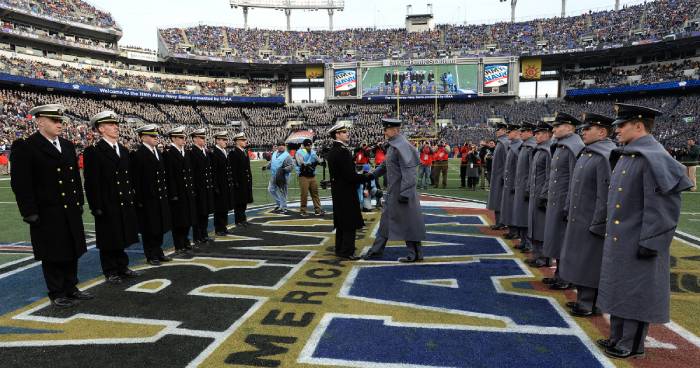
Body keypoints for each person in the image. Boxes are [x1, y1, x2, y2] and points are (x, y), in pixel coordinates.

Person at [597, 104, 692, 359]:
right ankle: (617, 335)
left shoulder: (654, 158)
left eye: (622, 125)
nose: (616, 130)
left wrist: (652, 240)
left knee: (636, 293)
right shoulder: (630, 154)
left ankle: (632, 343)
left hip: (640, 240)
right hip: (622, 238)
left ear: (639, 125)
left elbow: (663, 207)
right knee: (619, 289)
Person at [10, 104, 92, 308]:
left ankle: (71, 286)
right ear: (40, 122)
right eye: (54, 120)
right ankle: (57, 291)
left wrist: (79, 202)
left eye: (60, 121)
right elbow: (21, 183)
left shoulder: (66, 145)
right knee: (53, 252)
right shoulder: (26, 146)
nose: (59, 124)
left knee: (71, 249)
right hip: (47, 211)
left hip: (69, 208)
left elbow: (74, 178)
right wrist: (29, 212)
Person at [558, 113, 616, 318]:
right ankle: (584, 299)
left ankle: (590, 303)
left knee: (590, 263)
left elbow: (605, 195)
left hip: (591, 220)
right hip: (579, 218)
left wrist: (599, 222)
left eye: (588, 128)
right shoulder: (588, 153)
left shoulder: (604, 156)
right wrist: (567, 207)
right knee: (580, 261)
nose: (583, 131)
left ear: (602, 132)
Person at [83, 110, 140, 285]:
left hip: (123, 200)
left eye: (116, 124)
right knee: (109, 238)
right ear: (101, 129)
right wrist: (96, 206)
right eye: (111, 125)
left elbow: (129, 177)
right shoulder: (94, 151)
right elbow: (91, 182)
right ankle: (110, 270)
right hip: (107, 202)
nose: (116, 127)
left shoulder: (123, 150)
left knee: (121, 235)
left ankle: (122, 266)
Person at [363, 118, 426, 262]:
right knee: (386, 221)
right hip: (393, 191)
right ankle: (376, 251)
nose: (384, 131)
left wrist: (405, 193)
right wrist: (372, 174)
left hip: (402, 192)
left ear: (395, 130)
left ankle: (415, 254)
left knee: (409, 222)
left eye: (387, 129)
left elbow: (410, 172)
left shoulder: (402, 145)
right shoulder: (394, 145)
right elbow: (385, 165)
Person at [542, 112, 585, 290]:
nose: (554, 129)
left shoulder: (573, 147)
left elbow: (575, 180)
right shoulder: (562, 146)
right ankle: (560, 273)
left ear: (569, 128)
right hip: (556, 200)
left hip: (564, 202)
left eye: (558, 126)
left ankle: (566, 276)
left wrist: (568, 205)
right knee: (556, 239)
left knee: (564, 240)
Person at [130, 124, 172, 266]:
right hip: (147, 198)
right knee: (150, 228)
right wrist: (140, 200)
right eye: (152, 136)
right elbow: (136, 179)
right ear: (142, 137)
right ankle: (151, 254)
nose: (156, 138)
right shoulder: (138, 154)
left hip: (159, 196)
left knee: (159, 226)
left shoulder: (157, 152)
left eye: (156, 135)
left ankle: (158, 251)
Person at [326, 122, 367, 260]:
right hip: (346, 191)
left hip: (338, 191)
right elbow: (350, 176)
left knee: (341, 222)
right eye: (344, 132)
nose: (347, 133)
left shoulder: (332, 151)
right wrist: (365, 176)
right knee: (349, 222)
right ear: (337, 134)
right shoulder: (343, 151)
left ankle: (340, 249)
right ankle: (348, 251)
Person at [163, 126, 197, 255]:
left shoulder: (185, 152)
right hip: (177, 193)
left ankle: (186, 242)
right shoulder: (168, 153)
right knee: (179, 220)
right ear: (173, 138)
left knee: (187, 218)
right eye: (181, 138)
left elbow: (190, 173)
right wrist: (173, 194)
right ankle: (179, 244)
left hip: (187, 191)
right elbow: (169, 176)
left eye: (184, 137)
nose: (184, 140)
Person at [526, 121, 554, 268]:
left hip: (542, 194)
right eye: (535, 133)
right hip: (534, 193)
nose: (536, 136)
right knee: (534, 225)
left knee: (542, 227)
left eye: (539, 133)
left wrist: (544, 194)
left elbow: (550, 175)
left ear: (548, 134)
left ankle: (544, 257)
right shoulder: (539, 150)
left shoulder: (548, 150)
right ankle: (537, 255)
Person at [511, 122, 537, 251]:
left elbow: (532, 170)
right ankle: (523, 240)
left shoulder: (531, 147)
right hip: (520, 185)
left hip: (526, 187)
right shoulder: (525, 146)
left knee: (525, 216)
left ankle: (528, 243)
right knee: (520, 215)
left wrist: (528, 188)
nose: (520, 133)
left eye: (523, 131)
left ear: (530, 133)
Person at [188, 128, 215, 246]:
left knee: (205, 213)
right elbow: (193, 173)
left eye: (204, 137)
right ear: (195, 139)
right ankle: (197, 236)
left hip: (206, 188)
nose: (204, 140)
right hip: (199, 189)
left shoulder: (205, 151)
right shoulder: (192, 152)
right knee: (198, 213)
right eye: (202, 138)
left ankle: (204, 234)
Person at [500, 123, 522, 240]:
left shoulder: (519, 146)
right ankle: (512, 230)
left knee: (514, 208)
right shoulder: (512, 145)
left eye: (510, 132)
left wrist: (515, 183)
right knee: (508, 207)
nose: (508, 134)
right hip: (509, 182)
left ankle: (515, 231)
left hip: (514, 183)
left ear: (516, 133)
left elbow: (520, 168)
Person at [211, 131, 235, 236]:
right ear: (218, 140)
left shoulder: (223, 151)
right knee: (219, 209)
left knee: (224, 208)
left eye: (226, 139)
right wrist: (216, 187)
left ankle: (223, 226)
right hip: (220, 186)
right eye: (224, 140)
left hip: (225, 185)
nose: (226, 141)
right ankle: (218, 228)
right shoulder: (215, 153)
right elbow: (214, 172)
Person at [487, 122, 509, 230]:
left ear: (504, 130)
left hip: (500, 176)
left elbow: (507, 161)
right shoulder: (501, 142)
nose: (497, 132)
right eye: (496, 130)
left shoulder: (504, 143)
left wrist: (504, 176)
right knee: (497, 199)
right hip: (497, 176)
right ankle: (499, 221)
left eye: (499, 129)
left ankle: (501, 222)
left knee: (499, 200)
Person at [230, 132, 254, 226]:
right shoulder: (234, 153)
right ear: (237, 141)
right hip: (239, 182)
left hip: (245, 181)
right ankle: (238, 220)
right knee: (239, 202)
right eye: (243, 140)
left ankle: (243, 219)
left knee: (244, 201)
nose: (245, 141)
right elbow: (233, 170)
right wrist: (235, 182)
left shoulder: (244, 152)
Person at [295, 139, 324, 216]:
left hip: (312, 175)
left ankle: (318, 210)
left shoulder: (313, 152)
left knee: (315, 193)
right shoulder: (299, 152)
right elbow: (300, 162)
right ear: (304, 146)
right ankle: (303, 210)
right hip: (303, 176)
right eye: (308, 145)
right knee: (304, 194)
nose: (309, 147)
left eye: (310, 145)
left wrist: (322, 162)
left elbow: (318, 160)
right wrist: (310, 164)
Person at [267, 141, 293, 214]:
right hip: (273, 175)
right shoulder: (275, 153)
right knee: (271, 189)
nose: (281, 146)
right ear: (277, 146)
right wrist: (267, 166)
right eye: (280, 145)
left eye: (283, 145)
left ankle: (284, 207)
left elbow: (291, 166)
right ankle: (279, 203)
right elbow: (272, 162)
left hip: (283, 177)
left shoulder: (287, 155)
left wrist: (284, 170)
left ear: (284, 146)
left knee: (283, 192)